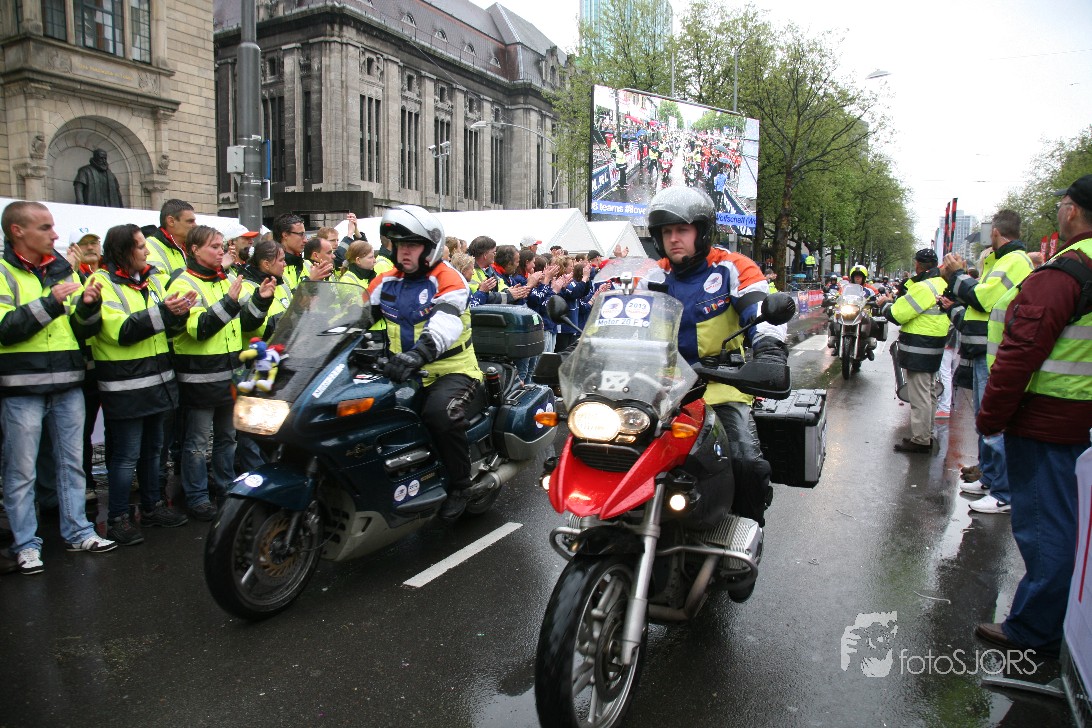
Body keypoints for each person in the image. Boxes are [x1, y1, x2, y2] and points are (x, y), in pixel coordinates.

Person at [973, 174, 1092, 657]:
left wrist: (991, 417)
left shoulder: (1066, 272)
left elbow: (1020, 352)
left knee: (1047, 528)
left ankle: (1033, 629)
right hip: (1077, 420)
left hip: (1048, 422)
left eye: (1063, 203)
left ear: (1072, 210)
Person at [645, 186, 787, 527]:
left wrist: (769, 349)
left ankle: (746, 530)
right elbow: (621, 317)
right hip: (660, 390)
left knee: (746, 463)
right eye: (667, 231)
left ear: (703, 231)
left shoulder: (733, 267)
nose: (673, 239)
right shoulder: (652, 276)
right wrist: (584, 346)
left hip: (720, 385)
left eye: (682, 230)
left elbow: (759, 309)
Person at [0, 200, 116, 574]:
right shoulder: (3, 271)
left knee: (71, 465)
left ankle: (78, 531)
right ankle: (25, 545)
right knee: (21, 472)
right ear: (17, 231)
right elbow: (5, 329)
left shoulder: (62, 269)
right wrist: (50, 302)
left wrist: (89, 307)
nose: (54, 234)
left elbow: (81, 330)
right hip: (22, 388)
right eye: (45, 227)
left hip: (67, 382)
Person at [368, 205, 486, 521]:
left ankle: (461, 485)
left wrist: (418, 354)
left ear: (430, 247)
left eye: (412, 245)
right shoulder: (385, 281)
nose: (404, 252)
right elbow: (353, 317)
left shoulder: (448, 278)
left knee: (440, 414)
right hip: (404, 372)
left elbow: (446, 323)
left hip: (452, 370)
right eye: (399, 245)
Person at [81, 224, 194, 544]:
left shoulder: (150, 281)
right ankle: (118, 518)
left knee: (153, 451)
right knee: (126, 456)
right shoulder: (101, 282)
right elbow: (121, 332)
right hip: (126, 387)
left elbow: (166, 331)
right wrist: (165, 312)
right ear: (123, 251)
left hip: (157, 384)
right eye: (140, 246)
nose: (146, 251)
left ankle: (152, 507)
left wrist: (179, 315)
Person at [168, 226, 275, 520]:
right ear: (194, 250)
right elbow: (199, 329)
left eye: (222, 246)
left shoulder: (225, 279)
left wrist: (261, 300)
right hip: (200, 380)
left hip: (229, 377)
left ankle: (226, 488)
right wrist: (229, 301)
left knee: (227, 439)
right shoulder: (184, 282)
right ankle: (197, 497)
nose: (222, 251)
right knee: (196, 444)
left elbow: (246, 324)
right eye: (214, 246)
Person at [940, 210, 1033, 513]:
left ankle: (1003, 492)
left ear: (994, 232)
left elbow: (981, 299)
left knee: (995, 423)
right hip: (986, 350)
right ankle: (990, 479)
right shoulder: (999, 261)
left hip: (996, 352)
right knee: (985, 419)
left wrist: (957, 275)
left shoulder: (1014, 262)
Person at [876, 249, 949, 453]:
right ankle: (927, 433)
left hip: (919, 346)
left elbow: (899, 315)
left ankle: (921, 439)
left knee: (919, 395)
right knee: (929, 391)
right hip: (934, 345)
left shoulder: (923, 287)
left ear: (918, 265)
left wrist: (885, 304)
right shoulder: (943, 284)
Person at [145, 199, 197, 280]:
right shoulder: (149, 247)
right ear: (171, 221)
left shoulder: (189, 248)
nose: (195, 225)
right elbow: (157, 281)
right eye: (190, 221)